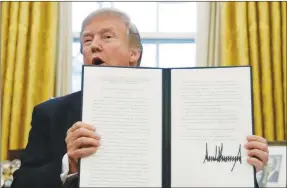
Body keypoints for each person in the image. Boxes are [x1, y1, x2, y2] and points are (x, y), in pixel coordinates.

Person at [11, 8, 269, 188]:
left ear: (135, 53)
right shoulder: (50, 114)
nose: (93, 45)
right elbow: (21, 184)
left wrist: (245, 172)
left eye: (107, 36)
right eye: (87, 40)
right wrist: (69, 164)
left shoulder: (176, 109)